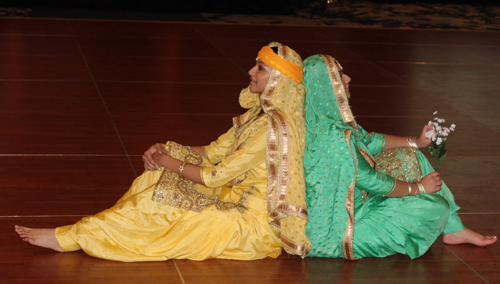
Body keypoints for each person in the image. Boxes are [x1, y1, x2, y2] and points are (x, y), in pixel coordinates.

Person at [15, 42, 311, 262]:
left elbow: (214, 176)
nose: (250, 71)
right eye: (255, 63)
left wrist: (169, 161)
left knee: (162, 205)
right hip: (230, 196)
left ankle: (73, 237)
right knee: (154, 182)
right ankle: (85, 233)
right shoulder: (258, 114)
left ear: (278, 80)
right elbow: (213, 151)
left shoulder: (272, 128)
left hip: (251, 224)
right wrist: (166, 148)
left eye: (260, 67)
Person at [302, 54, 497, 260]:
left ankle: (454, 229)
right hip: (343, 231)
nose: (348, 78)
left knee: (411, 155)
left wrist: (417, 141)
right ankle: (448, 224)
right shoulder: (333, 135)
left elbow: (368, 141)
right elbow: (370, 180)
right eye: (339, 75)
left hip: (358, 202)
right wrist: (419, 188)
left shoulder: (324, 118)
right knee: (436, 208)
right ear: (324, 86)